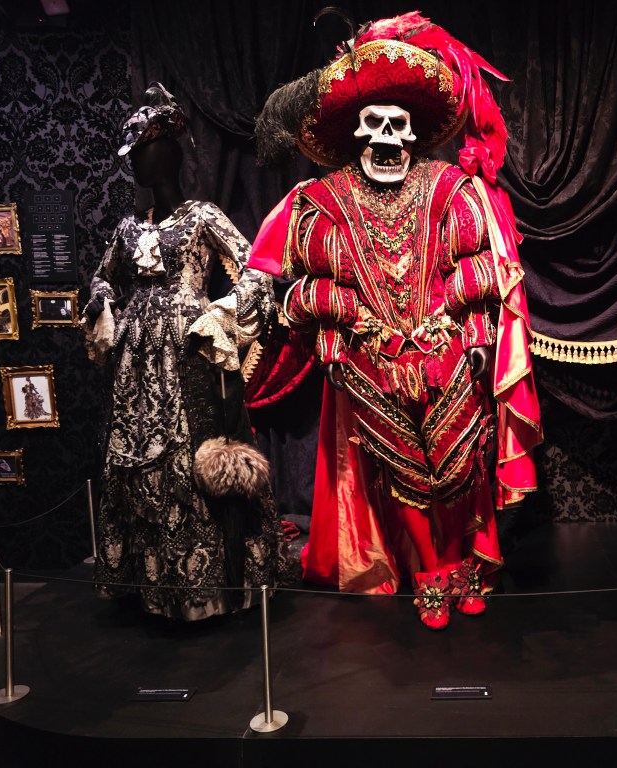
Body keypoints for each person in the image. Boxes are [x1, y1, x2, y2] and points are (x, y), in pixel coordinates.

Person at [247, 12, 542, 629]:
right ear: (356, 133)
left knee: (461, 465)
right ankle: (431, 573)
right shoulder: (323, 200)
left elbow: (479, 268)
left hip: (447, 349)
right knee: (401, 468)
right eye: (375, 126)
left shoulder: (449, 186)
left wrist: (473, 335)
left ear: (414, 134)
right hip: (371, 357)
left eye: (398, 127)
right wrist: (338, 341)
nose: (387, 140)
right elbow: (308, 289)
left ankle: (462, 565)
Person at [82, 83, 287, 620]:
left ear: (168, 155)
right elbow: (101, 278)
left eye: (144, 151)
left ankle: (211, 586)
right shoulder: (128, 228)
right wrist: (103, 303)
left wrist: (221, 313)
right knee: (137, 454)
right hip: (135, 356)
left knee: (191, 450)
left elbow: (256, 268)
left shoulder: (202, 217)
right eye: (134, 155)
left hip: (190, 349)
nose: (136, 164)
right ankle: (148, 580)